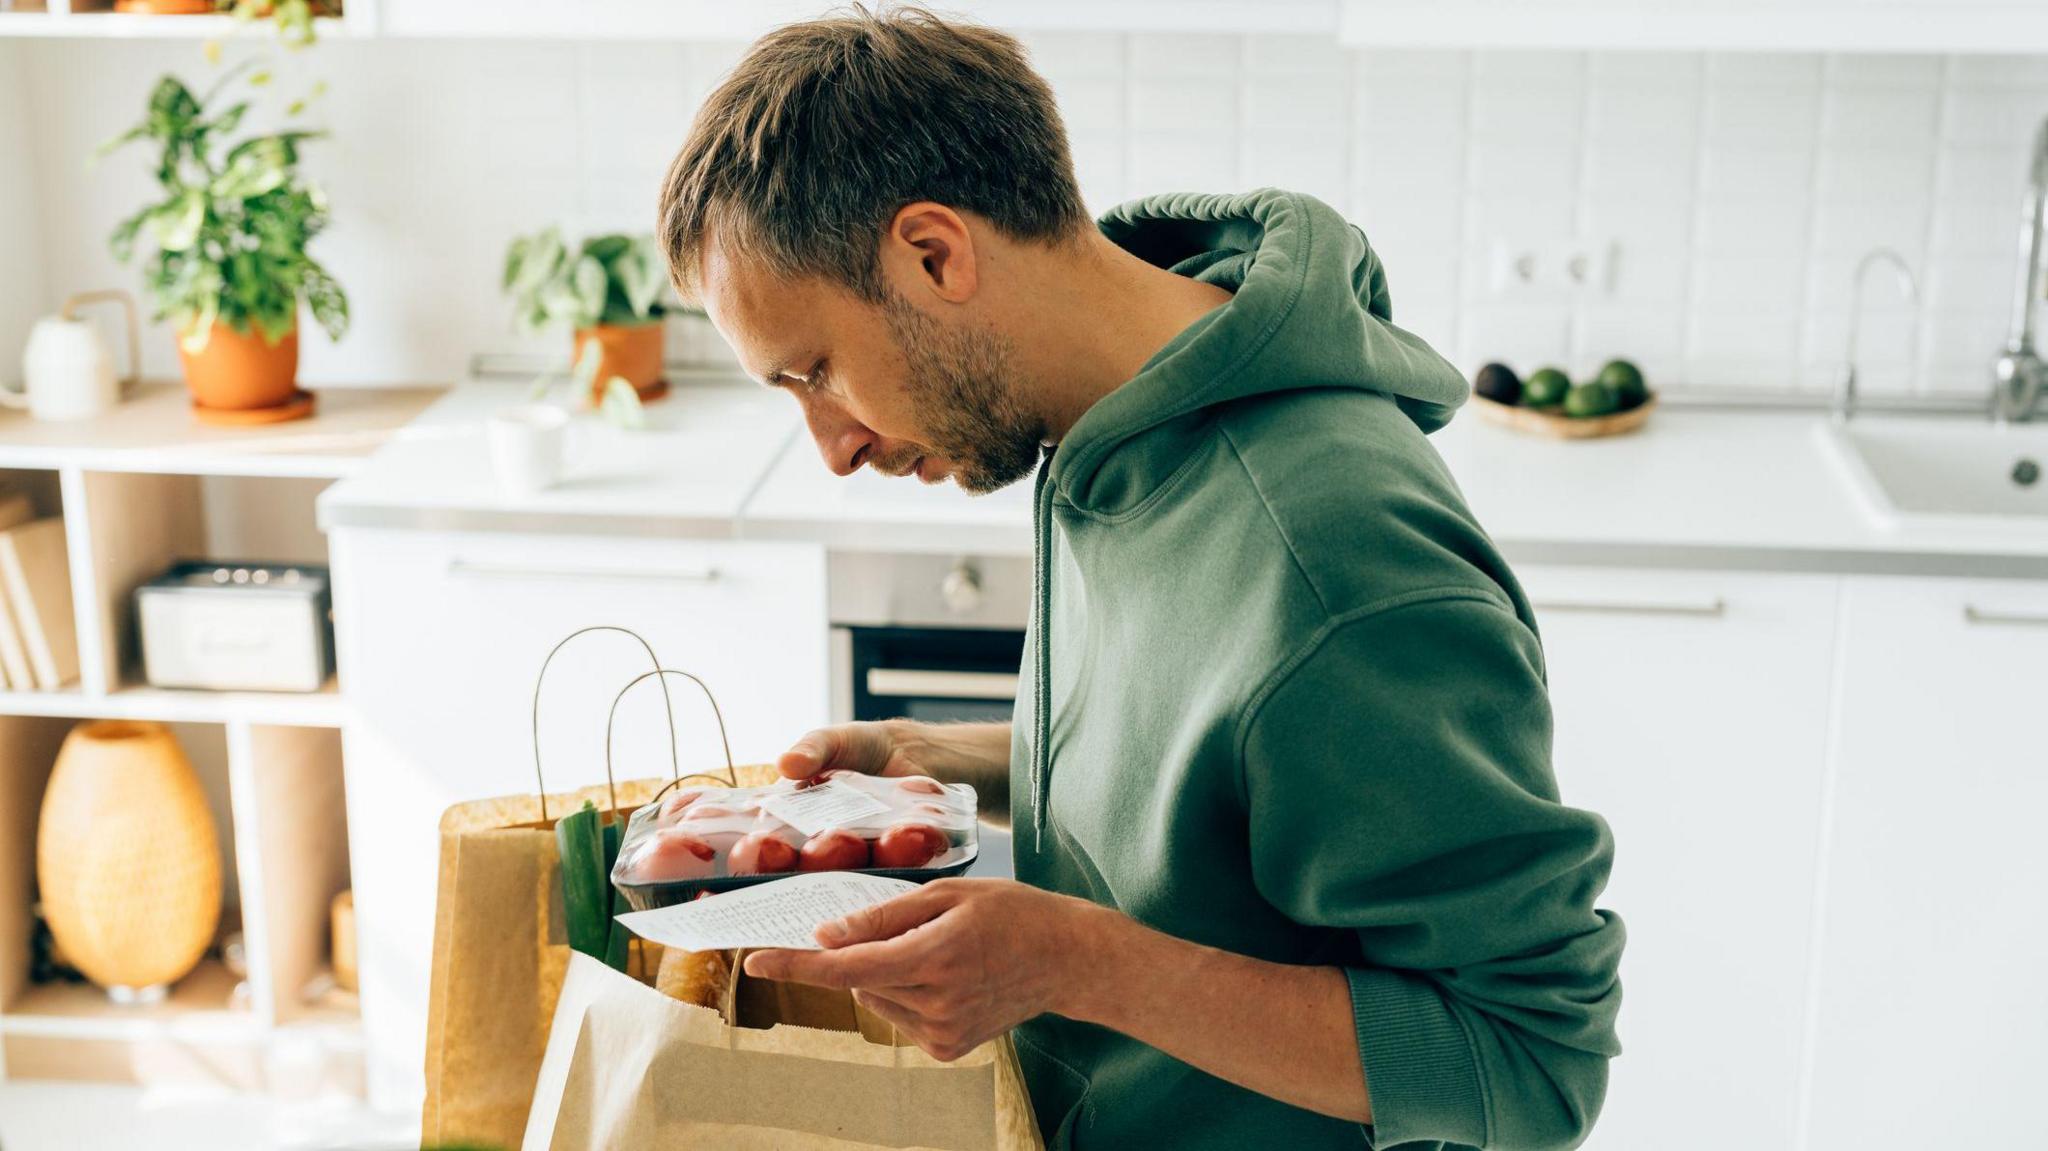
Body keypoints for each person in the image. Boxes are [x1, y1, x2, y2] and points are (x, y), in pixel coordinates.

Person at [656, 8, 1623, 1149]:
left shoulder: (1337, 558)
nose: (833, 446)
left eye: (816, 371)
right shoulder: (1102, 434)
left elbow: (1529, 1056)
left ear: (934, 252)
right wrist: (948, 760)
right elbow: (1214, 777)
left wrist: (1072, 961)